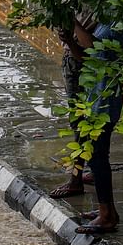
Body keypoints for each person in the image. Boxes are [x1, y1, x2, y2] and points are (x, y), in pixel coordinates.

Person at [76, 20, 123, 234]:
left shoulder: (119, 26)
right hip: (96, 98)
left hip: (105, 103)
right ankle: (106, 209)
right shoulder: (108, 20)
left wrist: (73, 24)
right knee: (97, 157)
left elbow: (93, 47)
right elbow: (88, 55)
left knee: (98, 158)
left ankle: (107, 215)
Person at [49, 10, 96, 199]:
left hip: (80, 61)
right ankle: (89, 170)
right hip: (77, 58)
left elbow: (89, 51)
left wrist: (72, 30)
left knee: (81, 123)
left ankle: (76, 179)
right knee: (87, 122)